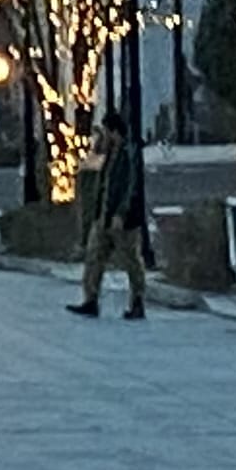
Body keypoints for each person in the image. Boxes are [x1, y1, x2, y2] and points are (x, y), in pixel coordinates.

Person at [68, 107, 148, 319]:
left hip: (123, 218)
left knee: (131, 260)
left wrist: (121, 213)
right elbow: (102, 181)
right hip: (104, 215)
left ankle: (138, 301)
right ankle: (90, 300)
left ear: (114, 131)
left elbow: (130, 186)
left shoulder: (128, 153)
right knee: (94, 256)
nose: (103, 136)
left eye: (105, 131)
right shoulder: (110, 153)